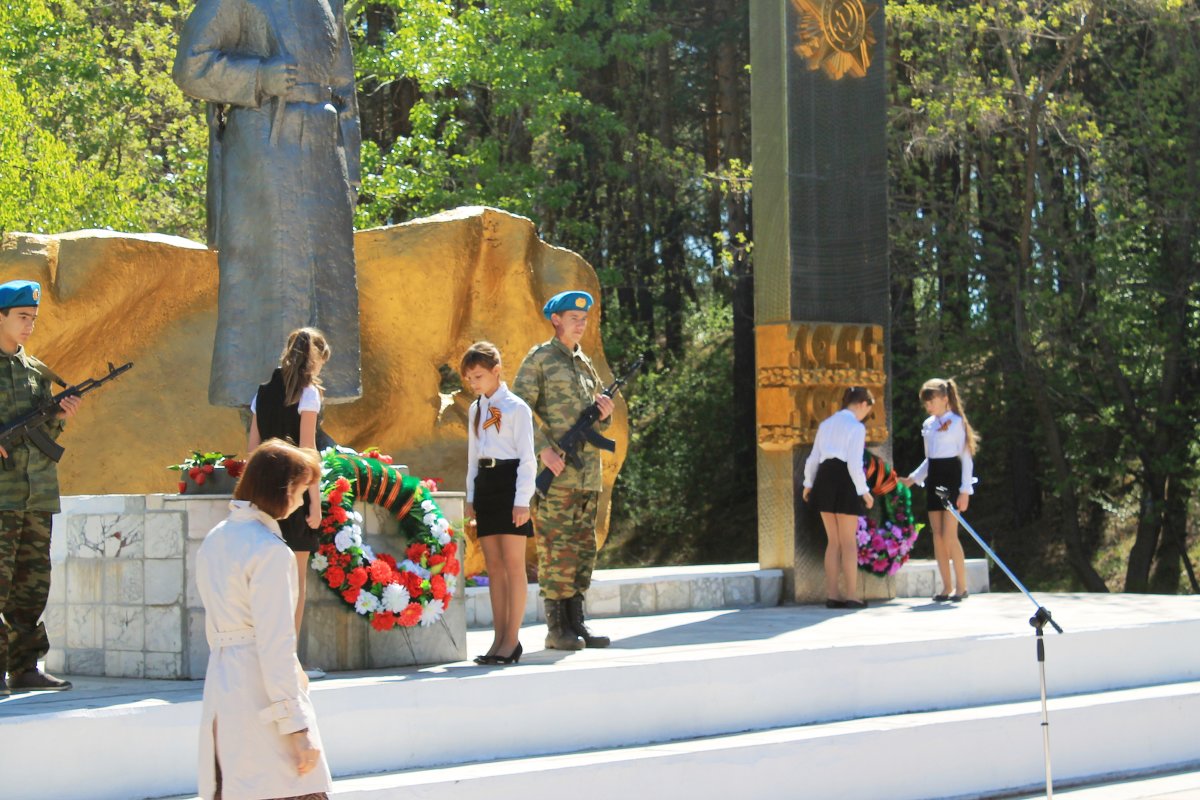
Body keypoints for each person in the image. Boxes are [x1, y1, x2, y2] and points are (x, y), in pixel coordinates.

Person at [173, 0, 362, 408]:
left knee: (323, 291)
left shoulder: (328, 4)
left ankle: (310, 414)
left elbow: (344, 88)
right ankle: (262, 413)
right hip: (263, 143)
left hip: (321, 154)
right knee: (267, 284)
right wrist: (259, 75)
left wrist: (352, 172)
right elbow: (190, 64)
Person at [196, 438, 331, 800]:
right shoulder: (269, 551)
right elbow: (276, 645)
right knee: (291, 787)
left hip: (224, 687)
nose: (303, 502)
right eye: (302, 491)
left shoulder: (216, 538)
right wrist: (298, 727)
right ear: (284, 489)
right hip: (261, 693)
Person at [513, 290, 614, 651]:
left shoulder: (585, 364)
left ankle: (576, 622)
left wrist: (605, 410)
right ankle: (557, 628)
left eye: (584, 319)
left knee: (583, 548)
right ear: (556, 320)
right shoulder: (540, 359)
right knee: (556, 549)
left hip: (587, 474)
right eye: (574, 318)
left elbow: (598, 419)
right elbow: (518, 410)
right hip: (557, 476)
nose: (581, 324)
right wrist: (543, 449)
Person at [0, 280, 82, 696]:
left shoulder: (36, 373)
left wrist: (61, 414)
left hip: (36, 495)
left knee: (32, 584)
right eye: (21, 317)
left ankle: (25, 667)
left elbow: (43, 432)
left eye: (33, 318)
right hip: (1, 497)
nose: (29, 325)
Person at [249, 328, 329, 678]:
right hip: (293, 492)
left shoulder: (262, 393)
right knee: (295, 582)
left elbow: (252, 449)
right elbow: (308, 450)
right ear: (315, 359)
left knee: (267, 583)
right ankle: (290, 662)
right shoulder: (308, 394)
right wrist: (315, 503)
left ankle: (265, 658)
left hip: (263, 494)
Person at [461, 342, 536, 666]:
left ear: (496, 371)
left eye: (478, 376)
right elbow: (472, 458)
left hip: (510, 483)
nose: (474, 383)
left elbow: (528, 460)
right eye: (469, 378)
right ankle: (498, 639)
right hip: (487, 485)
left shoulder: (517, 408)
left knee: (513, 565)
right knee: (494, 568)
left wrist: (523, 501)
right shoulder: (476, 409)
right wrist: (471, 497)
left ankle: (512, 639)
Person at [899, 378, 979, 602]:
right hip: (934, 476)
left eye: (931, 401)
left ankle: (961, 586)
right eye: (926, 403)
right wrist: (913, 479)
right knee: (938, 534)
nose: (928, 406)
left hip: (952, 476)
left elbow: (965, 457)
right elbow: (929, 459)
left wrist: (965, 490)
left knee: (950, 534)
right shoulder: (928, 424)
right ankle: (946, 586)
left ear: (945, 399)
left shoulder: (956, 422)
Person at [802, 387, 876, 610]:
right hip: (844, 479)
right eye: (868, 410)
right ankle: (852, 595)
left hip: (824, 478)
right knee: (848, 542)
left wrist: (808, 484)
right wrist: (864, 491)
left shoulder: (826, 424)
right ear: (863, 404)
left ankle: (833, 595)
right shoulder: (856, 427)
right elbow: (854, 463)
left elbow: (813, 457)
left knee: (833, 541)